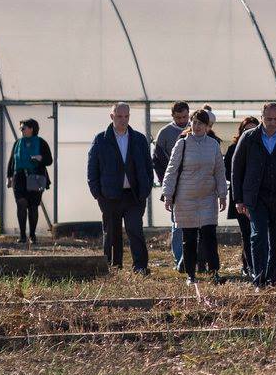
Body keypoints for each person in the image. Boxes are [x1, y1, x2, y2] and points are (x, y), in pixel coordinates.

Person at [230, 102, 276, 287]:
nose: (272, 123)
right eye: (268, 119)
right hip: (257, 197)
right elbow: (236, 168)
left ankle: (274, 280)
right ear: (261, 118)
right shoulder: (249, 138)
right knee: (258, 237)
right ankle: (259, 280)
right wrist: (238, 199)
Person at [161, 108, 228, 282]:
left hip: (208, 198)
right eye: (195, 122)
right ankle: (191, 274)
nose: (197, 126)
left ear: (207, 126)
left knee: (209, 237)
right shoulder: (182, 144)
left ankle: (214, 272)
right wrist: (168, 194)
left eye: (201, 123)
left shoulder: (213, 145)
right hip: (186, 199)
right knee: (189, 239)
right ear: (191, 123)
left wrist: (222, 194)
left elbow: (219, 171)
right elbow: (171, 170)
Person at [87, 101, 155, 273]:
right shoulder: (101, 140)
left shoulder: (139, 139)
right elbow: (92, 168)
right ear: (112, 116)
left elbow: (148, 167)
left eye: (126, 116)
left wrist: (145, 189)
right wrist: (97, 194)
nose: (123, 120)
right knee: (111, 233)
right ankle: (113, 267)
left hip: (134, 196)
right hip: (109, 196)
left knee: (135, 230)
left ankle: (140, 266)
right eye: (119, 116)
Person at [152, 101, 191, 268]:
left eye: (185, 117)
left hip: (194, 183)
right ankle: (180, 259)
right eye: (178, 117)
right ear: (172, 116)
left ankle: (193, 257)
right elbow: (158, 161)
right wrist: (166, 184)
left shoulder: (196, 128)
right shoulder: (165, 133)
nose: (182, 120)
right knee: (177, 223)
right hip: (175, 185)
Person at [5, 119, 53, 245]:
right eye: (20, 128)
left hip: (35, 176)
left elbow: (49, 160)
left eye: (23, 128)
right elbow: (12, 160)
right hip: (19, 177)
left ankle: (32, 235)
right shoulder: (17, 143)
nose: (21, 130)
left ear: (31, 129)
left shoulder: (41, 142)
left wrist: (40, 158)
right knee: (21, 203)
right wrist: (9, 177)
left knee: (33, 206)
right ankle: (22, 235)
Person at [226, 115, 260, 279]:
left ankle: (256, 264)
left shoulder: (262, 147)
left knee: (258, 232)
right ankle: (249, 266)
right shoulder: (234, 149)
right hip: (241, 196)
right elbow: (228, 173)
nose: (249, 133)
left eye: (253, 129)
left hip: (258, 196)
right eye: (246, 130)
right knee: (246, 232)